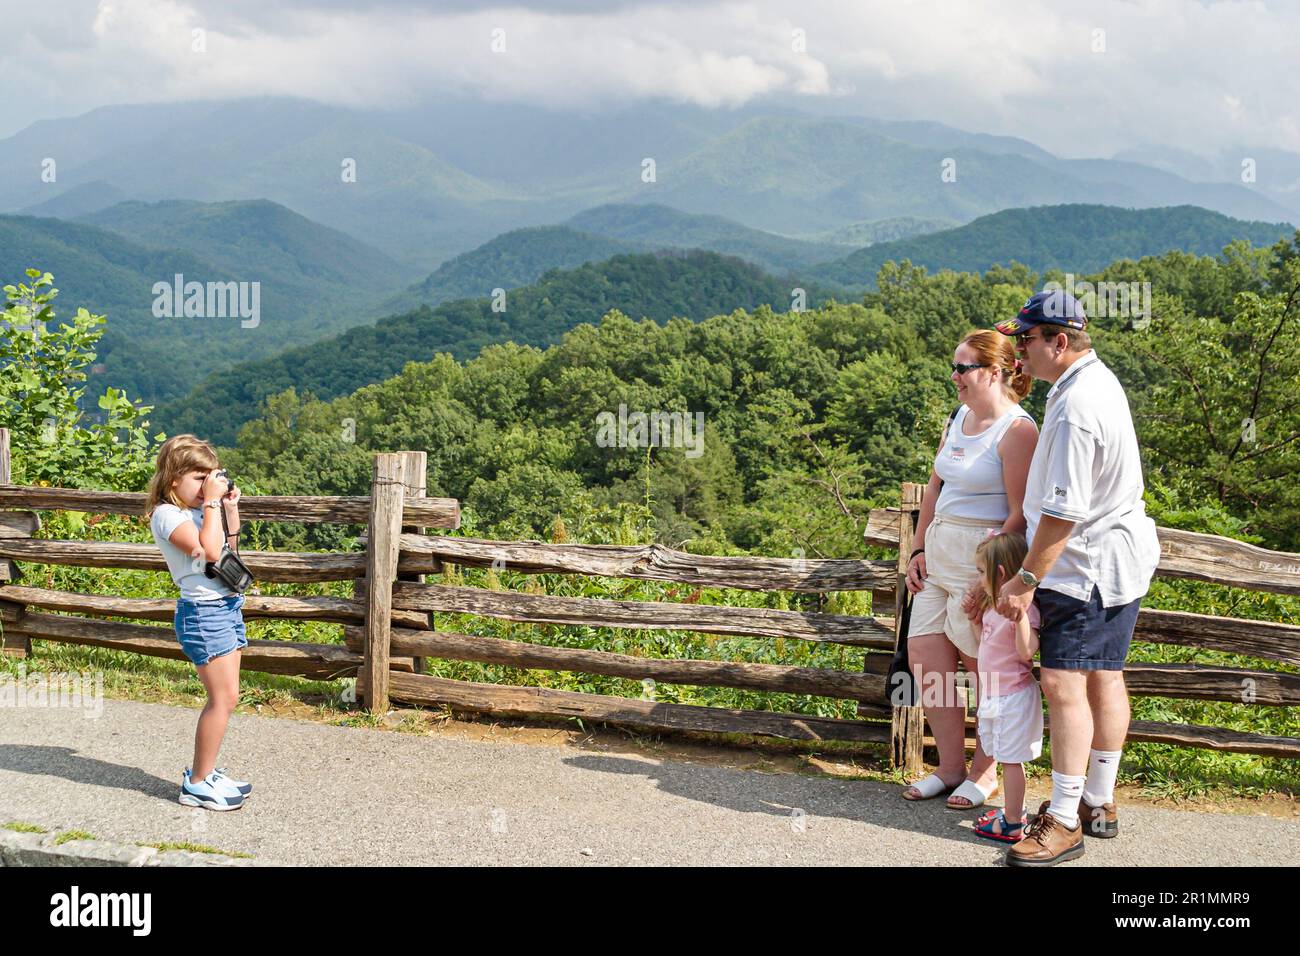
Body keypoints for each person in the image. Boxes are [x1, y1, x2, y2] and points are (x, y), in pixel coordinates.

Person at [988, 289, 1161, 867]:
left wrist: (1026, 579)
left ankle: (1063, 820)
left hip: (1083, 566)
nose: (1017, 352)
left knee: (1064, 685)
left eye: (1026, 340)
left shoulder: (1075, 408)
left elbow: (1063, 511)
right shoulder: (1092, 382)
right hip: (1117, 560)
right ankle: (1098, 801)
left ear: (1059, 341)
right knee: (1104, 677)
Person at [900, 329, 1038, 810]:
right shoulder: (958, 416)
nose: (954, 376)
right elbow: (934, 487)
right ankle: (950, 768)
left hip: (984, 559)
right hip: (938, 556)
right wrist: (917, 553)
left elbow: (1020, 514)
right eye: (954, 366)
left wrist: (988, 579)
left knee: (986, 670)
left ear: (994, 373)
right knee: (926, 659)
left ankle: (985, 773)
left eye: (963, 368)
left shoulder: (1018, 430)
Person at [145, 434, 253, 811]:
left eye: (211, 476)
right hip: (202, 615)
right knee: (221, 699)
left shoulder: (199, 511)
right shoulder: (167, 515)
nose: (207, 484)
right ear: (173, 478)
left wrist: (229, 510)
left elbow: (227, 555)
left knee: (228, 697)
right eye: (198, 477)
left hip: (225, 607)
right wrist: (211, 503)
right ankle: (196, 783)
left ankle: (205, 772)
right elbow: (205, 551)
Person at [969, 531, 1042, 843]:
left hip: (1013, 696)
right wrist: (975, 621)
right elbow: (984, 645)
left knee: (1012, 760)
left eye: (981, 572)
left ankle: (1013, 821)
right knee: (1003, 755)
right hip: (996, 694)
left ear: (999, 573)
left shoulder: (1022, 610)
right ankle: (1013, 812)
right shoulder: (992, 606)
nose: (979, 579)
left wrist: (1021, 618)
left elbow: (1027, 651)